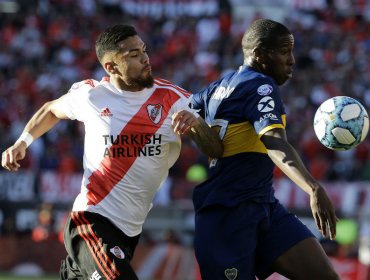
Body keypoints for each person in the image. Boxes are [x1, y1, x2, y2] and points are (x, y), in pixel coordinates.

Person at [1, 24, 223, 280]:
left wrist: (197, 126)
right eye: (133, 54)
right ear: (111, 67)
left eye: (143, 50)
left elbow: (215, 149)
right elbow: (51, 109)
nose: (145, 58)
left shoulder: (173, 98)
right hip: (91, 221)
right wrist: (23, 142)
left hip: (129, 232)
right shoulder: (92, 96)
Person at [190, 19, 340, 280]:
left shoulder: (217, 86)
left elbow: (186, 107)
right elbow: (274, 141)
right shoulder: (260, 85)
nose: (291, 60)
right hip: (229, 216)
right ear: (259, 54)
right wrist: (313, 188)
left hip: (263, 205)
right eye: (284, 51)